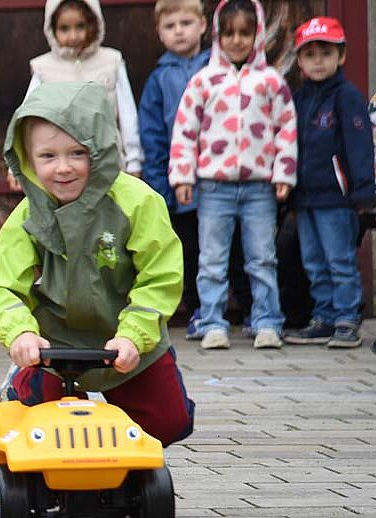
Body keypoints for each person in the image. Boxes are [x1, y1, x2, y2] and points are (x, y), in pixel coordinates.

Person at [0, 81, 194, 447]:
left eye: (77, 153)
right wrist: (21, 333)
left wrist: (135, 335)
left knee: (170, 422)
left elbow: (161, 277)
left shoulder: (138, 202)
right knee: (40, 431)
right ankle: (22, 388)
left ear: (100, 150)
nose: (63, 168)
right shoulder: (28, 215)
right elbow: (0, 287)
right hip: (53, 347)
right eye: (48, 156)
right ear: (28, 159)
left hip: (126, 340)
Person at [168, 0, 298, 350]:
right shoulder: (203, 81)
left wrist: (284, 173)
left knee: (262, 258)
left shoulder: (270, 81)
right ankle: (212, 322)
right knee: (212, 259)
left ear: (258, 34)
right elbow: (185, 131)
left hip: (260, 187)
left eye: (244, 33)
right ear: (217, 36)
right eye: (229, 34)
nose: (237, 41)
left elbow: (286, 128)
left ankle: (267, 321)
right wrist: (183, 176)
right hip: (214, 187)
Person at [139, 0, 255, 340]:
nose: (179, 31)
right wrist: (160, 188)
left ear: (204, 26)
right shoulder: (158, 79)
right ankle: (198, 310)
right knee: (190, 253)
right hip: (183, 185)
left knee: (236, 249)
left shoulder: (222, 68)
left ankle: (249, 308)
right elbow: (153, 138)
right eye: (170, 25)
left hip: (224, 180)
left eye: (186, 23)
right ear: (159, 32)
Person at [281, 17, 375, 348]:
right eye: (310, 55)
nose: (318, 61)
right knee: (314, 261)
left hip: (337, 198)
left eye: (326, 53)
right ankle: (323, 317)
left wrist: (364, 192)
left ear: (342, 55)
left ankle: (347, 318)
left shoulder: (347, 97)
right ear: (299, 60)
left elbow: (359, 147)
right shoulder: (298, 99)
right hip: (305, 197)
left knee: (340, 261)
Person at [20, 0, 143, 182]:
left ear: (93, 23)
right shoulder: (44, 68)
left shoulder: (111, 62)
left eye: (80, 26)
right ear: (52, 28)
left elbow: (127, 115)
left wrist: (134, 160)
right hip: (61, 167)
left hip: (107, 163)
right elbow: (27, 118)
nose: (73, 36)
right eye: (64, 28)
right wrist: (19, 164)